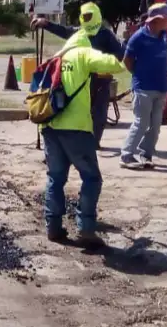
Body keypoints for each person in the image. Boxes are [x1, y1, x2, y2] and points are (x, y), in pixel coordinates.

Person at [41, 44, 126, 248]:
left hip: (50, 124)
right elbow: (117, 65)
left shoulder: (58, 55)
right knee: (91, 178)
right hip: (76, 128)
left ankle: (53, 227)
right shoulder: (84, 52)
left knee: (55, 177)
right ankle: (86, 228)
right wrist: (125, 50)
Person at [31, 2, 124, 148]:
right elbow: (63, 30)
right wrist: (46, 23)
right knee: (73, 111)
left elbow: (120, 55)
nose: (87, 19)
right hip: (80, 80)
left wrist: (108, 67)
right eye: (84, 16)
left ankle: (93, 143)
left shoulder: (106, 34)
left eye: (89, 16)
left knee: (99, 114)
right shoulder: (79, 32)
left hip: (100, 81)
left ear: (97, 16)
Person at [121, 3, 167, 169]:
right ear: (157, 19)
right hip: (143, 88)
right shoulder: (138, 38)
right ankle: (127, 155)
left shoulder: (164, 35)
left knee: (155, 125)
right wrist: (139, 74)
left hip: (161, 87)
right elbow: (127, 61)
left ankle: (146, 154)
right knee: (141, 123)